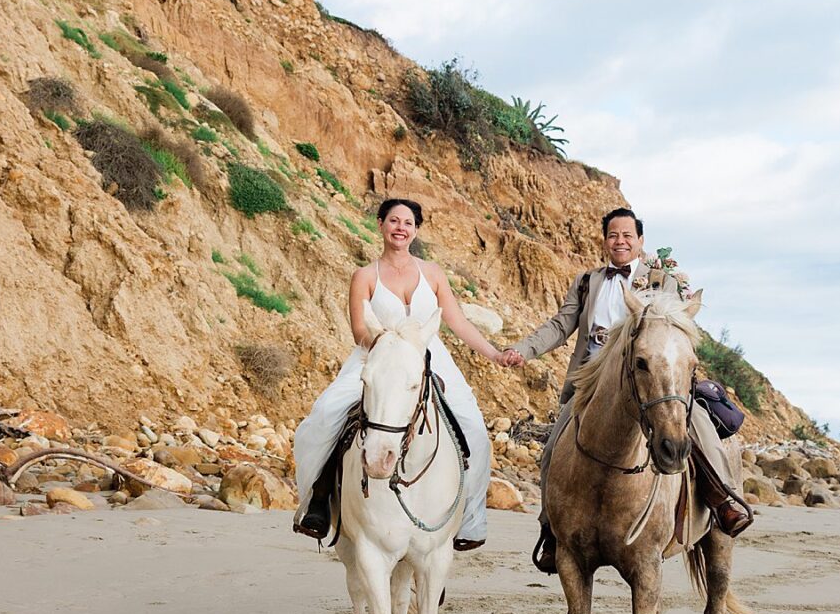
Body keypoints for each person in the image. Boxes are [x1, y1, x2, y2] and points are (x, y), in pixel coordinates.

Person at [502, 207, 754, 574]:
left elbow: (674, 330)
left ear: (639, 241)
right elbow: (560, 325)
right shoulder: (587, 282)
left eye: (627, 236)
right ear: (604, 241)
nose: (619, 241)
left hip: (651, 379)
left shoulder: (662, 281)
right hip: (591, 385)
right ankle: (552, 530)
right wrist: (522, 350)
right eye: (612, 235)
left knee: (697, 427)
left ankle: (722, 502)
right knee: (554, 447)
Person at [293, 198, 503, 550]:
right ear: (380, 224)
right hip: (377, 356)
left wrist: (494, 353)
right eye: (394, 221)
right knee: (326, 416)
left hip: (429, 357)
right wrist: (390, 343)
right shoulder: (364, 276)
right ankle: (318, 500)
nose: (400, 228)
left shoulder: (433, 274)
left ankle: (470, 519)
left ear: (415, 230)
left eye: (408, 222)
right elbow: (359, 330)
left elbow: (457, 322)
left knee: (476, 432)